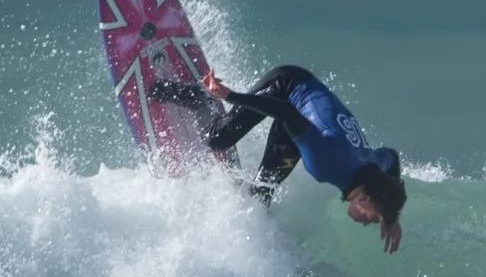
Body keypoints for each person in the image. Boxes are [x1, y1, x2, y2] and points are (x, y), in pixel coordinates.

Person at [149, 65, 407, 252]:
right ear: (364, 198)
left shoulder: (373, 166)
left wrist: (391, 218)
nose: (367, 224)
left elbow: (392, 158)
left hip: (304, 118)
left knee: (261, 195)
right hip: (287, 88)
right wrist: (230, 96)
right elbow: (285, 112)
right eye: (372, 218)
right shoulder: (328, 164)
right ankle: (197, 98)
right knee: (217, 140)